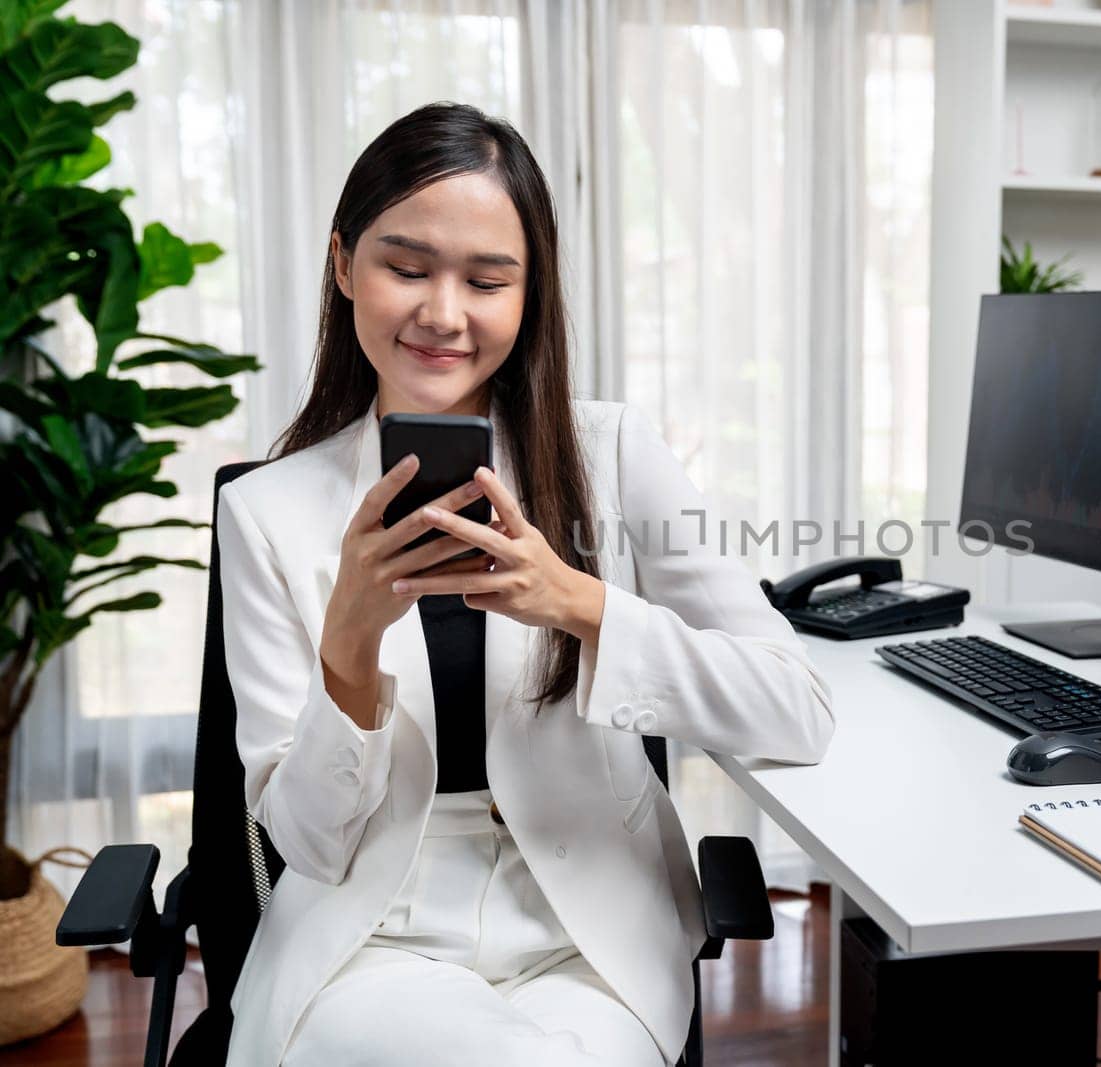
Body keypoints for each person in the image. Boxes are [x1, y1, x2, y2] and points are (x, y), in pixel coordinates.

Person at [215, 102, 835, 1067]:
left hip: (586, 934)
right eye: (406, 267)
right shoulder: (268, 510)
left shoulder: (613, 456)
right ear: (343, 267)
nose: (443, 313)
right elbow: (308, 843)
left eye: (487, 279)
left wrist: (579, 603)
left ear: (529, 292)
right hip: (369, 939)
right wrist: (348, 645)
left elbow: (795, 712)